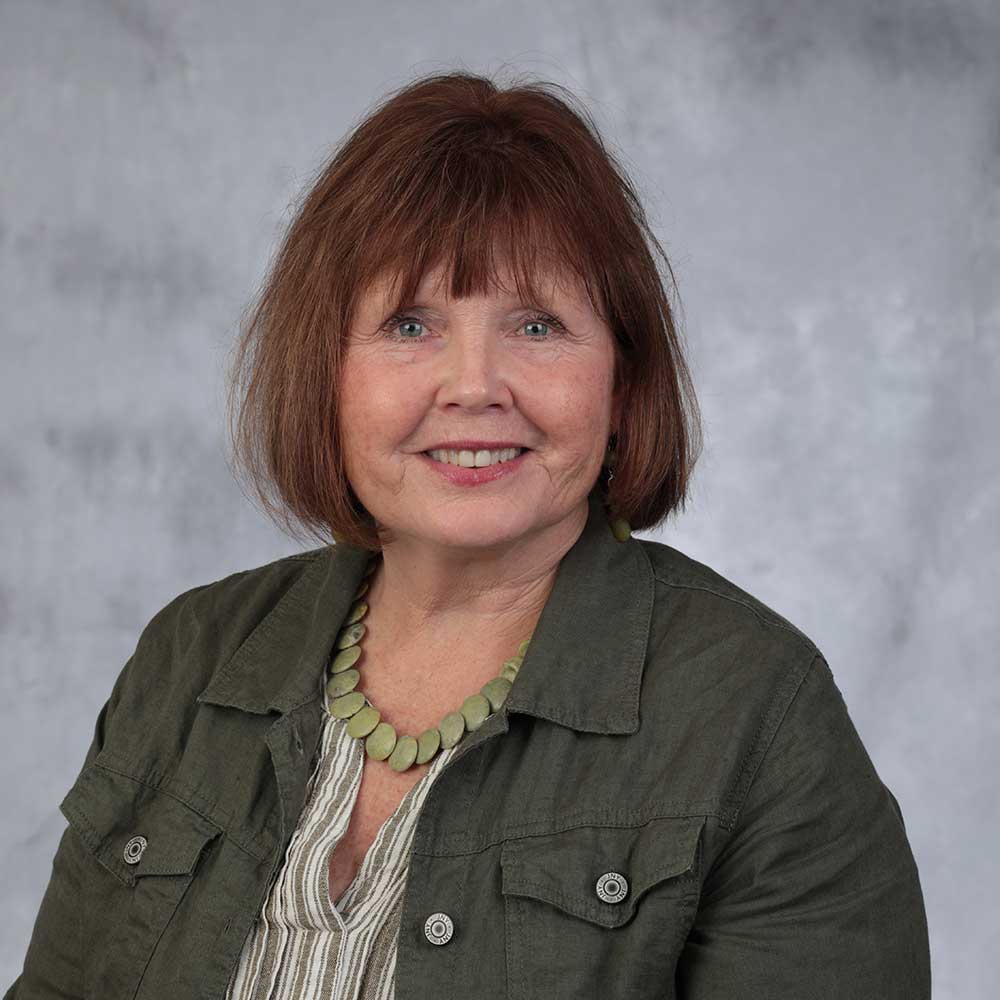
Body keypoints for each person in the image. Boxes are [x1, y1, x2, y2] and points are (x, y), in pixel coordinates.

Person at [5, 71, 930, 1000]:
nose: (474, 384)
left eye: (538, 324)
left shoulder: (757, 715)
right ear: (323, 372)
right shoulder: (194, 659)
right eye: (410, 324)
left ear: (622, 381)